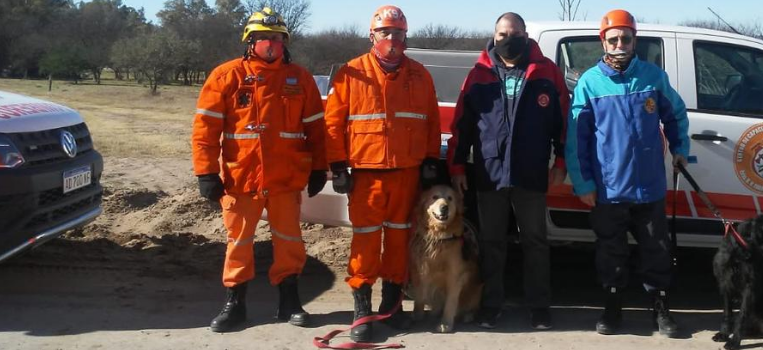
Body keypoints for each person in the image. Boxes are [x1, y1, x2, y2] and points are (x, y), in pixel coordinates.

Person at [191, 7, 328, 333]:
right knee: (238, 242)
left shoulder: (300, 79)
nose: (271, 43)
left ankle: (290, 302)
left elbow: (317, 131)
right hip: (241, 180)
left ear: (286, 42)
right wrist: (206, 173)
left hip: (285, 180)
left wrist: (319, 168)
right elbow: (205, 131)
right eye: (263, 38)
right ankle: (235, 304)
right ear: (249, 41)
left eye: (277, 38)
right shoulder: (226, 77)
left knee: (289, 241)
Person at [565, 9, 689, 338]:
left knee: (657, 250)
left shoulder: (652, 77)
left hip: (649, 185)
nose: (620, 44)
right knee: (611, 251)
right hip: (608, 188)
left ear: (635, 40)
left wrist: (680, 149)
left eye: (626, 38)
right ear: (602, 42)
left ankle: (661, 309)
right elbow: (576, 139)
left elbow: (675, 114)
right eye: (614, 38)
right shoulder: (590, 83)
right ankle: (612, 306)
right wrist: (584, 183)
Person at [323, 5, 441, 342]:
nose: (392, 38)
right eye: (385, 32)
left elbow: (431, 120)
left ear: (406, 37)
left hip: (407, 173)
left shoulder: (420, 75)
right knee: (366, 240)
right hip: (366, 175)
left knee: (400, 239)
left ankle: (392, 305)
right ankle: (362, 310)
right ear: (372, 35)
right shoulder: (351, 73)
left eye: (398, 33)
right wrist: (337, 165)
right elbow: (333, 124)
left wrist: (431, 158)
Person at [447, 12, 568, 330]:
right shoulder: (478, 74)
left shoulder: (548, 73)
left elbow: (564, 123)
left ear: (526, 35)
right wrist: (458, 167)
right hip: (490, 172)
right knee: (492, 243)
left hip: (531, 173)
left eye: (514, 34)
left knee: (536, 243)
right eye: (502, 34)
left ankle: (539, 306)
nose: (508, 39)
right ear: (494, 35)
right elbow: (461, 126)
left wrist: (561, 163)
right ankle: (491, 305)